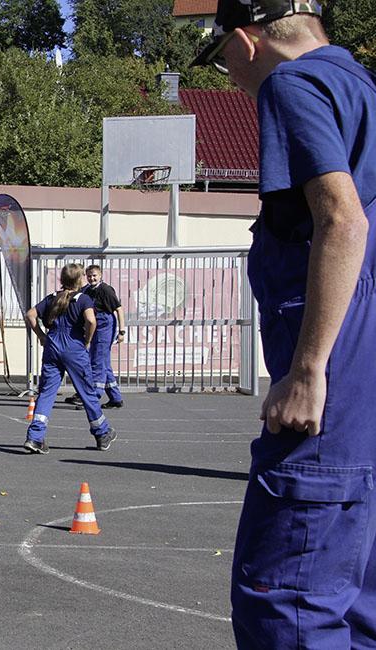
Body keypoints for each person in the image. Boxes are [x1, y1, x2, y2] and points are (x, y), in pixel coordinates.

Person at [192, 2, 376, 645]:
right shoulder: (362, 86)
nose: (230, 77)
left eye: (222, 60)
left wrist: (307, 369)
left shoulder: (291, 84)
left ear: (247, 41)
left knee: (289, 602)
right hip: (369, 403)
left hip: (336, 397)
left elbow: (343, 221)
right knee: (356, 608)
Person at [23, 264, 116, 454]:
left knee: (47, 392)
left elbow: (30, 314)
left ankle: (35, 437)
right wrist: (88, 340)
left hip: (53, 345)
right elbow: (91, 321)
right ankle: (102, 432)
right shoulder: (83, 299)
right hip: (74, 346)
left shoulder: (52, 298)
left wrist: (41, 335)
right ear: (80, 279)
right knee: (86, 391)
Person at [67, 265, 126, 408]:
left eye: (94, 275)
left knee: (98, 363)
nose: (92, 278)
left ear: (100, 275)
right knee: (104, 362)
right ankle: (115, 398)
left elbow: (119, 309)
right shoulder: (86, 290)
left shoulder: (106, 290)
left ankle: (92, 397)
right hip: (94, 325)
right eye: (89, 276)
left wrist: (122, 331)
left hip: (105, 326)